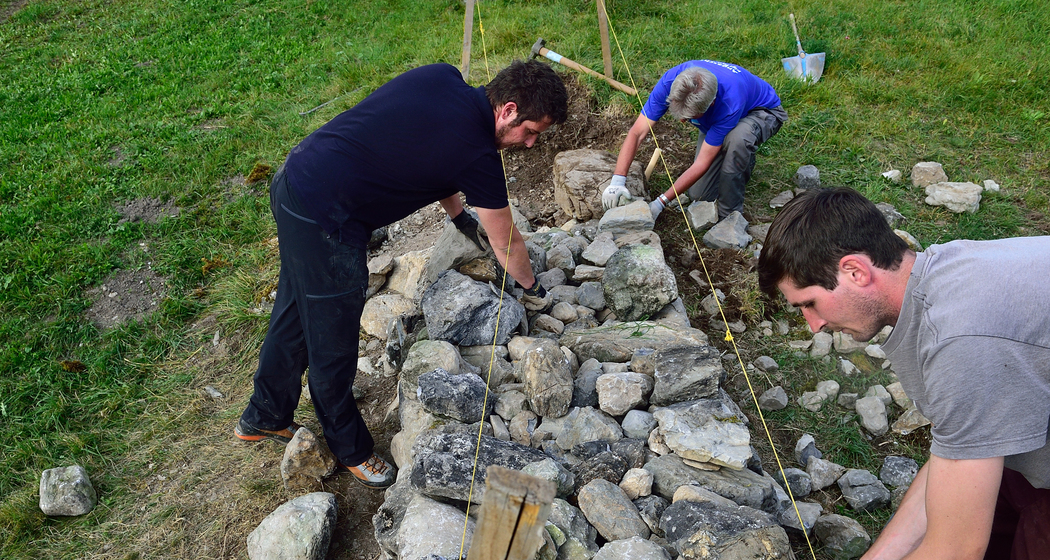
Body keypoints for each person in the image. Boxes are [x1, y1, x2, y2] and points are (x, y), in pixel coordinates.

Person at [233, 60, 568, 489]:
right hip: (328, 219)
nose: (531, 143)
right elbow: (508, 244)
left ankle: (263, 415)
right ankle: (349, 447)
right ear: (507, 110)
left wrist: (458, 215)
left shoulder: (443, 77)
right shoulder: (479, 155)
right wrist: (532, 287)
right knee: (332, 339)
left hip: (297, 178)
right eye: (531, 131)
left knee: (295, 308)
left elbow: (432, 151)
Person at [757, 187, 1050, 559]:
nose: (813, 325)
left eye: (810, 304)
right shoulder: (941, 274)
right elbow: (955, 456)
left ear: (855, 271)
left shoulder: (960, 339)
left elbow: (957, 549)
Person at [603, 60, 786, 222]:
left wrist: (660, 203)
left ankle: (730, 216)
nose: (682, 121)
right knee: (700, 194)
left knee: (738, 140)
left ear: (710, 104)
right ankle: (730, 152)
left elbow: (701, 163)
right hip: (718, 119)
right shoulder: (673, 82)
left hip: (762, 112)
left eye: (689, 117)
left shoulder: (729, 103)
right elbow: (637, 132)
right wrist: (617, 181)